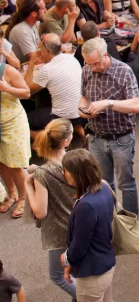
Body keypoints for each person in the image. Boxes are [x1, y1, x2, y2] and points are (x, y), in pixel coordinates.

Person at [80, 37, 139, 215]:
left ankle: (130, 223)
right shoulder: (86, 70)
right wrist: (83, 109)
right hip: (96, 138)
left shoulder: (124, 71)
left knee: (126, 184)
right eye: (89, 64)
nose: (92, 68)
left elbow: (136, 105)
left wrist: (108, 103)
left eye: (96, 63)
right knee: (103, 183)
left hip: (121, 138)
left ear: (106, 55)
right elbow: (83, 96)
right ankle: (110, 221)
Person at [24, 118, 77, 300]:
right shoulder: (76, 161)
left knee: (58, 275)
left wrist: (28, 187)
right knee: (75, 269)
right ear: (66, 141)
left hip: (59, 232)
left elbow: (40, 212)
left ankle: (89, 297)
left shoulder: (43, 173)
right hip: (79, 224)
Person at [61, 149, 116, 302]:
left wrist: (67, 258)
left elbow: (79, 244)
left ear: (76, 174)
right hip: (106, 263)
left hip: (92, 273)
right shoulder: (104, 187)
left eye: (66, 170)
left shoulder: (86, 206)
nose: (63, 173)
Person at [24, 33, 84, 139]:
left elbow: (26, 91)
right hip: (81, 111)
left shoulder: (47, 70)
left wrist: (31, 63)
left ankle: (44, 142)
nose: (39, 52)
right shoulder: (71, 58)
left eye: (40, 49)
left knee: (24, 119)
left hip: (62, 116)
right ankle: (82, 134)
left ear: (46, 51)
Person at [0, 59, 31, 218]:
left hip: (12, 122)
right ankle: (11, 195)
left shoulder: (7, 71)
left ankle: (23, 197)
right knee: (1, 161)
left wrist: (6, 88)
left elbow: (26, 93)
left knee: (15, 163)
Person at [7, 0, 46, 64]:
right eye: (42, 9)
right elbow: (35, 60)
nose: (46, 11)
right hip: (24, 69)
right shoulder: (21, 31)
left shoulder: (35, 23)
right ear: (34, 14)